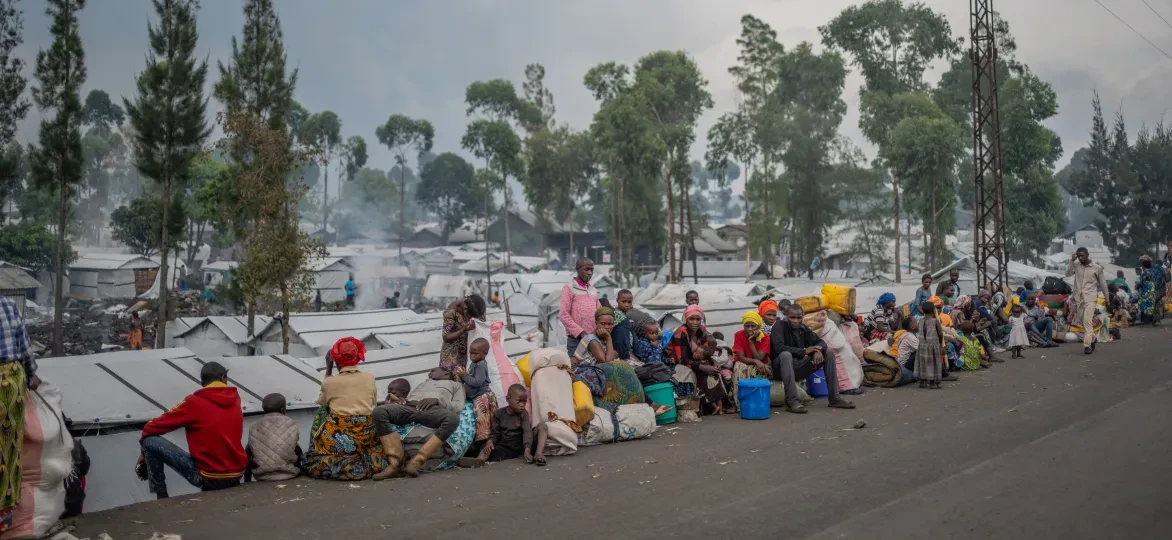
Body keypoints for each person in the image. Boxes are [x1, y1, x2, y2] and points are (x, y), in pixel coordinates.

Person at [136, 362, 247, 499]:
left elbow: (151, 427)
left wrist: (143, 453)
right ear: (223, 377)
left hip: (209, 477)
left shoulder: (193, 402)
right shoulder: (236, 399)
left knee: (149, 441)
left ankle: (161, 495)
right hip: (237, 474)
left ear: (202, 382)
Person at [302, 337, 390, 480]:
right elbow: (372, 404)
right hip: (367, 436)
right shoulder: (369, 377)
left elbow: (322, 402)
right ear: (357, 358)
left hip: (339, 438)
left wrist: (328, 369)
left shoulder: (330, 382)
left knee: (322, 411)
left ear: (335, 360)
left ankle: (330, 455)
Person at [573, 307, 667, 415]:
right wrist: (609, 339)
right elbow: (606, 360)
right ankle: (650, 405)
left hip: (597, 371)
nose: (607, 327)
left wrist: (609, 345)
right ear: (596, 323)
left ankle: (646, 406)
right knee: (624, 371)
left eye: (610, 324)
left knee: (631, 370)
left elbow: (613, 356)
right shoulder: (592, 340)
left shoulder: (602, 339)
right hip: (584, 373)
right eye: (603, 324)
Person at [369, 377, 462, 480]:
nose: (431, 371)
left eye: (436, 369)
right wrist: (400, 401)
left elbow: (458, 405)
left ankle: (416, 462)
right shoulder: (423, 383)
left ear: (446, 373)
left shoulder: (456, 385)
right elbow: (407, 396)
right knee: (378, 412)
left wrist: (437, 400)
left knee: (453, 419)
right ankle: (395, 465)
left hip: (431, 409)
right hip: (409, 407)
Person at [770, 304, 856, 412]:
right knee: (785, 354)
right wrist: (804, 351)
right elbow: (778, 348)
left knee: (828, 353)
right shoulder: (779, 326)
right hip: (781, 368)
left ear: (803, 317)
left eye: (798, 318)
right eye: (792, 318)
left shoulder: (802, 328)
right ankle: (792, 401)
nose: (796, 321)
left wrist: (819, 350)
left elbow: (820, 342)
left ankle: (835, 398)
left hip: (797, 366)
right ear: (786, 316)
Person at [1, 297, 38, 533]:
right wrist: (32, 374)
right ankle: (3, 519)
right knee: (8, 451)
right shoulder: (6, 305)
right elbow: (25, 349)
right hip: (10, 382)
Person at [670, 305, 734, 415]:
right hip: (676, 363)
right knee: (697, 374)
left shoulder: (702, 331)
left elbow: (706, 352)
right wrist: (702, 367)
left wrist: (714, 362)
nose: (695, 322)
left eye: (698, 319)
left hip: (695, 361)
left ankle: (718, 404)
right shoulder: (680, 333)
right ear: (686, 319)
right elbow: (682, 360)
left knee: (715, 373)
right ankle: (702, 406)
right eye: (691, 319)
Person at [480, 385, 548, 466]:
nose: (522, 405)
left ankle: (538, 454)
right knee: (487, 447)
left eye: (524, 402)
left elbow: (527, 431)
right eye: (519, 401)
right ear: (508, 399)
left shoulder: (523, 414)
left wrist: (527, 450)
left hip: (522, 444)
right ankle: (479, 460)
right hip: (506, 446)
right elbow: (495, 433)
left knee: (542, 426)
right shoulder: (498, 414)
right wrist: (490, 442)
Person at [245, 393, 302, 483]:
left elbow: (250, 451)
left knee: (249, 449)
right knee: (296, 448)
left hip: (262, 475)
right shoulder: (291, 423)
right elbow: (295, 448)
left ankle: (246, 480)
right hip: (289, 473)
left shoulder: (254, 425)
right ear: (283, 409)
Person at [1066, 247, 1109, 354]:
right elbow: (1067, 274)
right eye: (1078, 256)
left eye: (1082, 255)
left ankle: (1087, 345)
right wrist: (1072, 260)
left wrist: (1107, 299)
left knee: (1087, 321)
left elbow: (1103, 285)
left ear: (1087, 255)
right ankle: (1093, 338)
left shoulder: (1097, 268)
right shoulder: (1076, 265)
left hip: (1091, 298)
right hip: (1078, 298)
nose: (1080, 258)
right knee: (1083, 321)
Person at [560, 258, 602, 358]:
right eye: (586, 269)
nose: (590, 273)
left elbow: (600, 312)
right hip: (576, 339)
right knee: (577, 368)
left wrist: (598, 330)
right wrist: (580, 332)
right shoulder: (569, 288)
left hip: (592, 337)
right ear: (577, 269)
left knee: (592, 368)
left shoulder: (593, 290)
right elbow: (563, 314)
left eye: (592, 270)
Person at [440, 294, 487, 373]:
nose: (471, 318)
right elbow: (446, 337)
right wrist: (463, 329)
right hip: (452, 355)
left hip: (470, 351)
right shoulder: (452, 310)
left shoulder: (478, 307)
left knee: (470, 377)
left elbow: (482, 322)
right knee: (451, 380)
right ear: (465, 309)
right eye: (470, 316)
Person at [464, 337, 499, 444]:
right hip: (475, 395)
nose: (472, 356)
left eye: (475, 353)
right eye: (471, 353)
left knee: (482, 420)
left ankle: (484, 441)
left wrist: (463, 376)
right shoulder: (474, 362)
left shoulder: (481, 365)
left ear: (485, 353)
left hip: (481, 396)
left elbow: (477, 382)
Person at [732, 311, 772, 391]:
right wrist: (755, 361)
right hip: (745, 363)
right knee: (739, 367)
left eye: (753, 326)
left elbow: (760, 358)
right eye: (747, 326)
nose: (750, 329)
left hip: (762, 364)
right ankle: (740, 396)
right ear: (744, 326)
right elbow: (741, 358)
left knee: (759, 370)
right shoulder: (738, 335)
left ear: (758, 326)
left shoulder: (765, 338)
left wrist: (751, 342)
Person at [915, 302, 945, 389]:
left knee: (923, 363)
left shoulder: (920, 320)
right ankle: (932, 383)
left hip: (922, 346)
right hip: (933, 345)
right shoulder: (935, 321)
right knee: (933, 364)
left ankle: (922, 382)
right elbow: (940, 334)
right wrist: (940, 344)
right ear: (933, 310)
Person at [1137, 255, 1167, 325]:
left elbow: (1143, 282)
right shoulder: (1155, 268)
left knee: (1149, 304)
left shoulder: (1150, 270)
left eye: (1142, 262)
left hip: (1152, 290)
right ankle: (1154, 319)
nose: (1141, 264)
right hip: (1156, 289)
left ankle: (1149, 320)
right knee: (1154, 304)